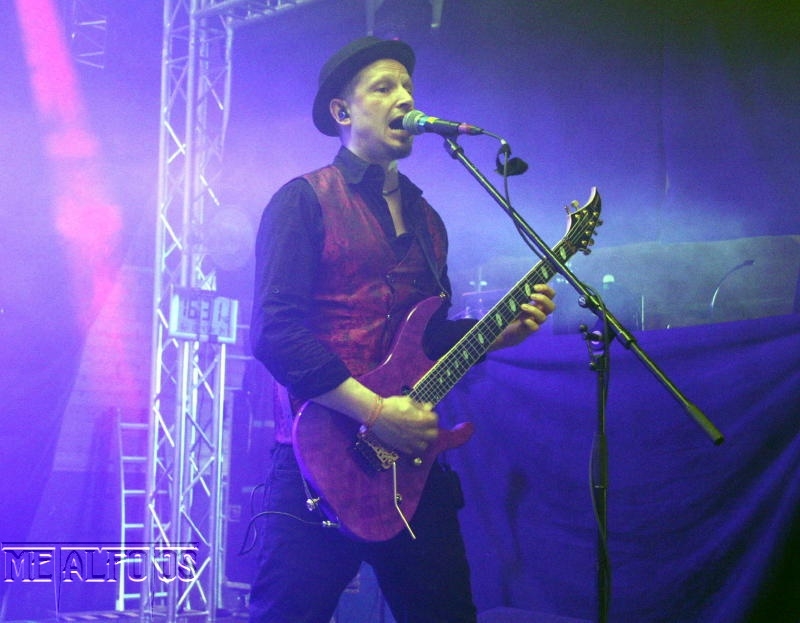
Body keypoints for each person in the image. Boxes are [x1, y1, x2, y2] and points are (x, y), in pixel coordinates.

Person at [248, 36, 556, 623]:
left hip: (410, 464)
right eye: (384, 87)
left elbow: (427, 338)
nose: (405, 98)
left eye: (408, 86)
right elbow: (274, 331)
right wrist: (374, 411)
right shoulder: (303, 200)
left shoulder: (428, 221)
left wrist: (498, 333)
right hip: (318, 459)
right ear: (342, 111)